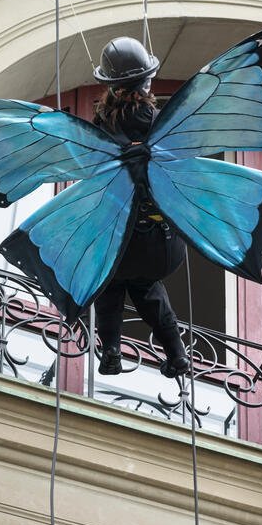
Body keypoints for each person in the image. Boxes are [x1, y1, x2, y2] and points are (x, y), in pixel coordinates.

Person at [89, 36, 192, 379]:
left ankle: (112, 349)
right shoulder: (164, 125)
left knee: (110, 285)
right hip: (162, 244)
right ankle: (177, 354)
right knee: (147, 287)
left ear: (110, 87)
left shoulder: (100, 131)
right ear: (147, 81)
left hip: (120, 242)